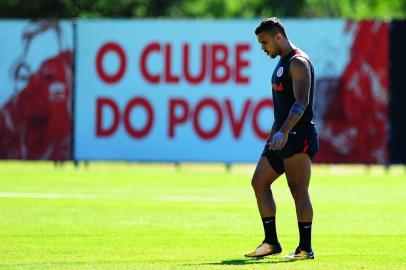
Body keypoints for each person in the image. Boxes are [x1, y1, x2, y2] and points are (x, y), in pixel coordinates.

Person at [244, 17, 319, 260]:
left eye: (264, 42)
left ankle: (305, 249)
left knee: (298, 191)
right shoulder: (283, 62)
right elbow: (285, 104)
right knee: (259, 182)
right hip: (280, 135)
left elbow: (301, 102)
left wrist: (284, 131)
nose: (262, 48)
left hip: (297, 136)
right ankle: (271, 242)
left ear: (278, 37)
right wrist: (276, 132)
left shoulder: (298, 62)